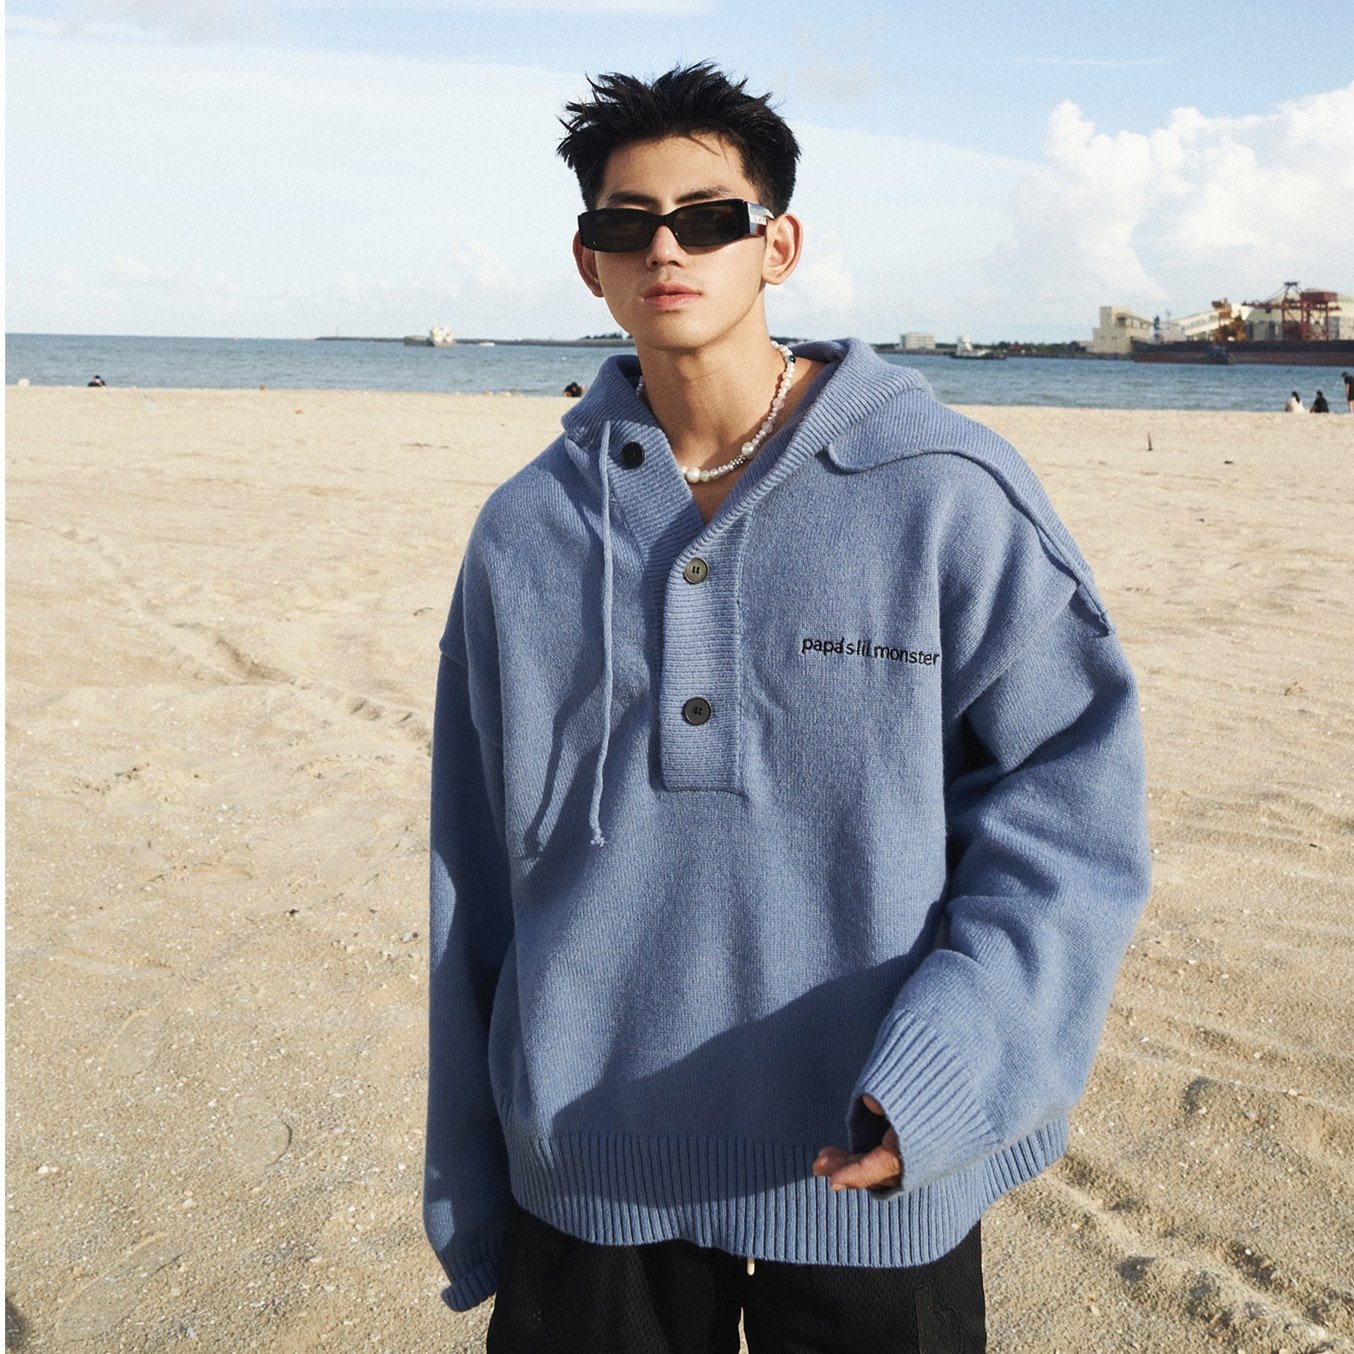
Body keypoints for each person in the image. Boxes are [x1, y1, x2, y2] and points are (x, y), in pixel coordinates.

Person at [424, 63, 1151, 1353]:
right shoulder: (525, 532)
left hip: (873, 1151)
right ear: (589, 263)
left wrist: (954, 1070)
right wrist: (475, 1177)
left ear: (779, 244)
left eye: (708, 218)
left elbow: (1070, 814)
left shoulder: (945, 492)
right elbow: (473, 878)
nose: (666, 249)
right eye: (625, 224)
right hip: (590, 1165)